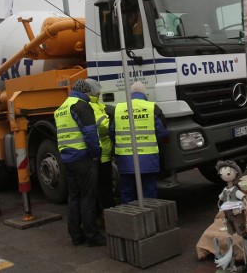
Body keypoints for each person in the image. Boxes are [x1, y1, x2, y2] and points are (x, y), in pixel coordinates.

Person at [54, 79, 106, 247]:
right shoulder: (82, 106)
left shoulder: (62, 108)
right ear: (86, 92)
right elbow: (90, 133)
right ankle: (92, 236)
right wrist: (95, 154)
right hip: (83, 158)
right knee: (88, 198)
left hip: (68, 159)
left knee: (74, 198)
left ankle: (76, 236)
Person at [109, 81, 168, 204]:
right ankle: (150, 220)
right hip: (148, 160)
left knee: (127, 193)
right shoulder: (152, 108)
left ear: (130, 94)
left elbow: (112, 132)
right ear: (144, 93)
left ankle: (129, 221)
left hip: (125, 160)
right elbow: (162, 133)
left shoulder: (119, 108)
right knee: (149, 194)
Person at [84, 78, 116, 214]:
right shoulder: (91, 105)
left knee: (101, 188)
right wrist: (113, 124)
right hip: (100, 156)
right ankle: (108, 218)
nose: (99, 93)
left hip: (102, 154)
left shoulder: (95, 104)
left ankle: (101, 216)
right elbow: (101, 126)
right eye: (97, 91)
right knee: (104, 188)